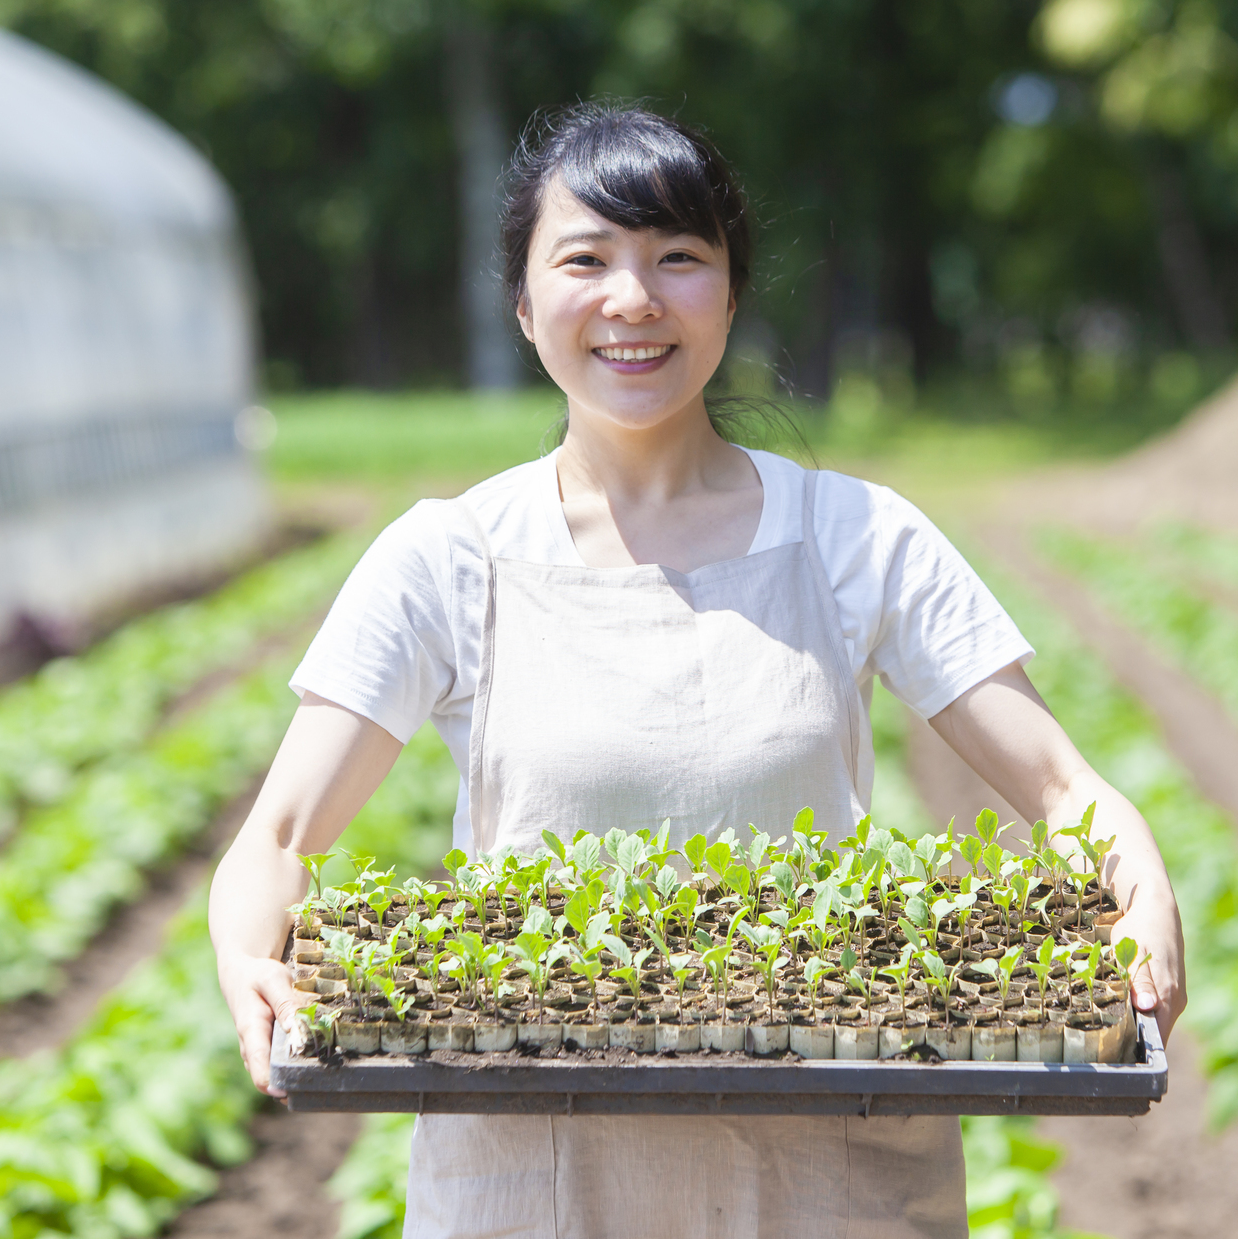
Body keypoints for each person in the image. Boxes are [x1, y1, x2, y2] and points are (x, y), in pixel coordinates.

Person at [209, 104, 1186, 1238]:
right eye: (585, 261)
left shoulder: (856, 534)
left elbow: (1064, 791)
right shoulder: (449, 557)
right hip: (540, 1180)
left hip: (831, 1173)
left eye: (678, 259)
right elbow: (278, 838)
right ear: (524, 307)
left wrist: (1139, 888)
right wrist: (250, 959)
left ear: (727, 295)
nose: (633, 300)